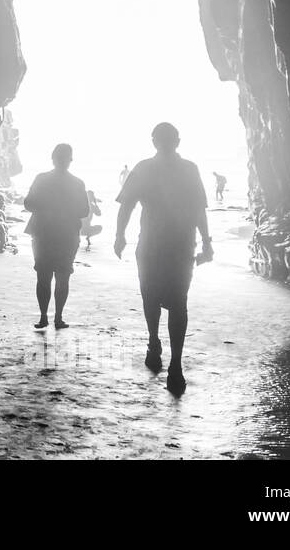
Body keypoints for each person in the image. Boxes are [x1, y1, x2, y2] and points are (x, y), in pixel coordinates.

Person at [114, 123, 212, 395]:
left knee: (151, 297)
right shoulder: (189, 169)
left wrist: (120, 235)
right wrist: (206, 242)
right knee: (179, 303)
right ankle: (174, 364)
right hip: (180, 246)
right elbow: (198, 209)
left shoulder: (144, 168)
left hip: (152, 245)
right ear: (177, 140)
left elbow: (127, 205)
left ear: (154, 141)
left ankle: (155, 344)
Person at [24, 144, 90, 330]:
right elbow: (84, 211)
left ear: (52, 158)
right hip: (66, 235)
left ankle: (45, 317)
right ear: (70, 160)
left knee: (43, 276)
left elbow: (28, 203)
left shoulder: (41, 179)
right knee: (62, 276)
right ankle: (57, 318)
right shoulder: (77, 183)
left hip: (43, 233)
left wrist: (47, 209)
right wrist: (64, 210)